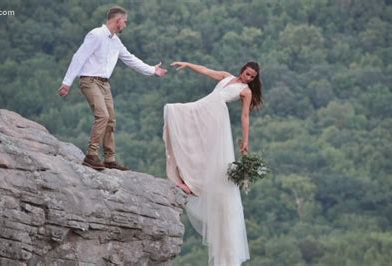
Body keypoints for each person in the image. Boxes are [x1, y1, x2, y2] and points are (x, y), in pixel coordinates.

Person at [163, 61, 263, 265]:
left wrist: (245, 140)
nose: (248, 78)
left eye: (252, 77)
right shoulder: (226, 76)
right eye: (247, 73)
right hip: (204, 108)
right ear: (242, 69)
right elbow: (207, 71)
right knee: (174, 112)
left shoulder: (245, 91)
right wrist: (188, 65)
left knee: (208, 152)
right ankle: (187, 178)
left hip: (216, 117)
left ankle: (193, 184)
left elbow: (245, 116)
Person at [58, 6, 167, 171]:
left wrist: (152, 70)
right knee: (102, 115)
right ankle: (91, 156)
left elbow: (130, 59)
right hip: (89, 80)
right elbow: (79, 56)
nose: (126, 25)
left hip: (104, 83)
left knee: (110, 120)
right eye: (125, 21)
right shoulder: (96, 35)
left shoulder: (116, 41)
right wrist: (67, 82)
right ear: (118, 20)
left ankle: (109, 159)